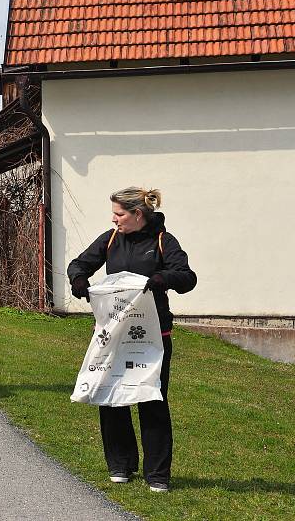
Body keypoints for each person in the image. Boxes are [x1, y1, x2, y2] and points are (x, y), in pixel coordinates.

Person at [67, 186, 196, 493]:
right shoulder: (110, 240)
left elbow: (187, 277)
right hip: (115, 334)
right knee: (111, 394)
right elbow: (79, 264)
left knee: (152, 399)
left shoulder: (164, 241)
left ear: (138, 214)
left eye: (120, 214)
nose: (114, 220)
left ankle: (158, 475)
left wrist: (161, 279)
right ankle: (121, 465)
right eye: (113, 214)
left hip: (154, 336)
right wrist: (79, 281)